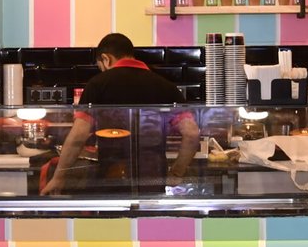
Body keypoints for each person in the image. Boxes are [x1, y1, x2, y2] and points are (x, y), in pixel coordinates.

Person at [41, 33, 200, 195]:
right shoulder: (166, 86)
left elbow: (78, 136)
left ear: (106, 59)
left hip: (111, 178)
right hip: (152, 181)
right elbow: (192, 133)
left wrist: (58, 177)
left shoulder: (97, 85)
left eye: (100, 66)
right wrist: (176, 173)